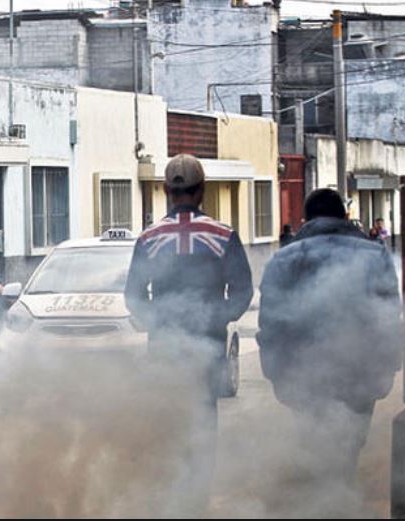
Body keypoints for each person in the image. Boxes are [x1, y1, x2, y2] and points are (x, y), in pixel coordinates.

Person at [125, 154, 253, 514]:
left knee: (167, 420)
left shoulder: (149, 238)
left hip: (164, 348)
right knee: (202, 420)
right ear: (203, 191)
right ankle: (196, 499)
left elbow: (133, 296)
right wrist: (216, 319)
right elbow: (242, 291)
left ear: (166, 191)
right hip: (208, 349)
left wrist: (159, 322)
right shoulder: (223, 235)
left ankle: (170, 498)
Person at [257, 189, 401, 482]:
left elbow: (271, 325)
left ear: (305, 219)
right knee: (349, 447)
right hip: (360, 372)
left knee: (314, 444)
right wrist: (387, 368)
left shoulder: (282, 259)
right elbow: (388, 316)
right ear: (345, 216)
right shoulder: (375, 254)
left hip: (302, 374)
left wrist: (276, 374)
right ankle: (338, 499)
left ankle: (324, 502)